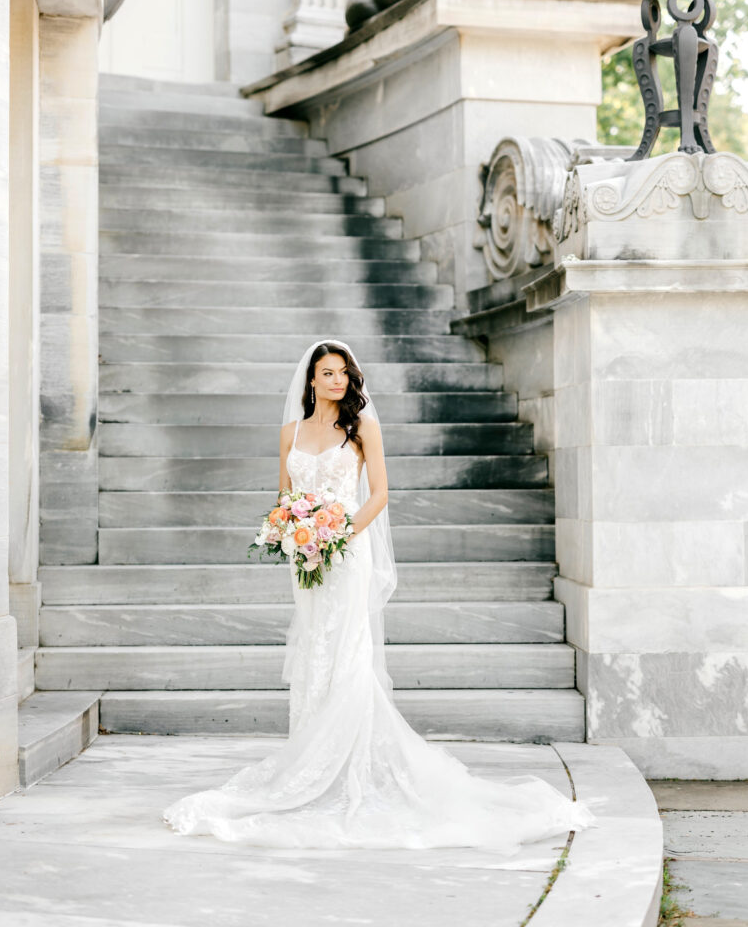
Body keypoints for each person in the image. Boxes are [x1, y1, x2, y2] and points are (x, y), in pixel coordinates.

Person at [162, 338, 597, 851]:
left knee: (347, 652)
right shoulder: (289, 432)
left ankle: (352, 765)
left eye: (343, 372)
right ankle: (308, 756)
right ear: (310, 380)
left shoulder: (362, 427)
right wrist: (292, 533)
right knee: (314, 651)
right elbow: (284, 498)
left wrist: (338, 534)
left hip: (346, 553)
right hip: (308, 557)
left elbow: (381, 493)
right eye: (326, 373)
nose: (336, 381)